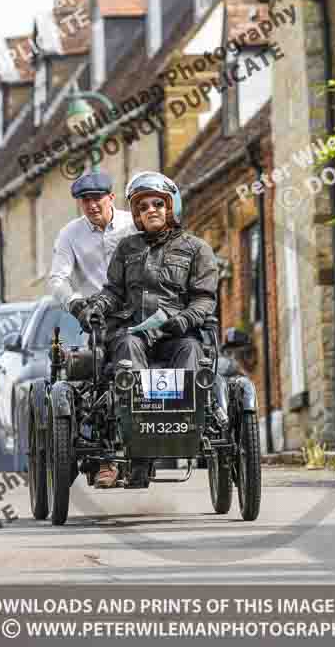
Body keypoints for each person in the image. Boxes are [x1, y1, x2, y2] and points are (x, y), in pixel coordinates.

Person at [75, 171, 219, 488]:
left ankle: (183, 423)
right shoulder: (127, 249)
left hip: (177, 335)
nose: (150, 210)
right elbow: (113, 291)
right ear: (137, 215)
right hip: (136, 333)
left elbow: (204, 299)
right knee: (125, 343)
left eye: (157, 203)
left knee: (192, 349)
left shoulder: (196, 249)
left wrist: (183, 320)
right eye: (142, 207)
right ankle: (139, 435)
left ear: (170, 207)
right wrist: (97, 306)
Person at [48, 171, 136, 317]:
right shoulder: (69, 234)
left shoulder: (133, 224)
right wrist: (73, 302)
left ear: (111, 197)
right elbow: (58, 278)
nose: (92, 205)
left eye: (97, 198)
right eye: (85, 200)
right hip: (99, 319)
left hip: (137, 313)